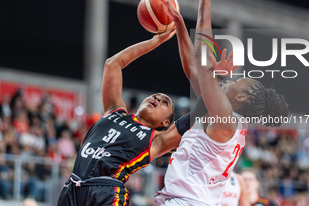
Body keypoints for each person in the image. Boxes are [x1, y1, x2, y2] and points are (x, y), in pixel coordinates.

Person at [153, 0, 288, 206]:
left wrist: (205, 0)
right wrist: (180, 25)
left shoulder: (226, 117)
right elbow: (193, 68)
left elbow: (203, 64)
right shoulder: (223, 115)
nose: (233, 78)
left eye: (239, 80)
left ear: (242, 98)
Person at [58, 26, 207, 206]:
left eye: (164, 102)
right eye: (155, 96)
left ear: (166, 121)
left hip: (105, 192)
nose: (156, 98)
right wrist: (154, 43)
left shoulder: (157, 139)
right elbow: (112, 64)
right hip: (72, 188)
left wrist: (218, 86)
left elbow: (203, 106)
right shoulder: (115, 111)